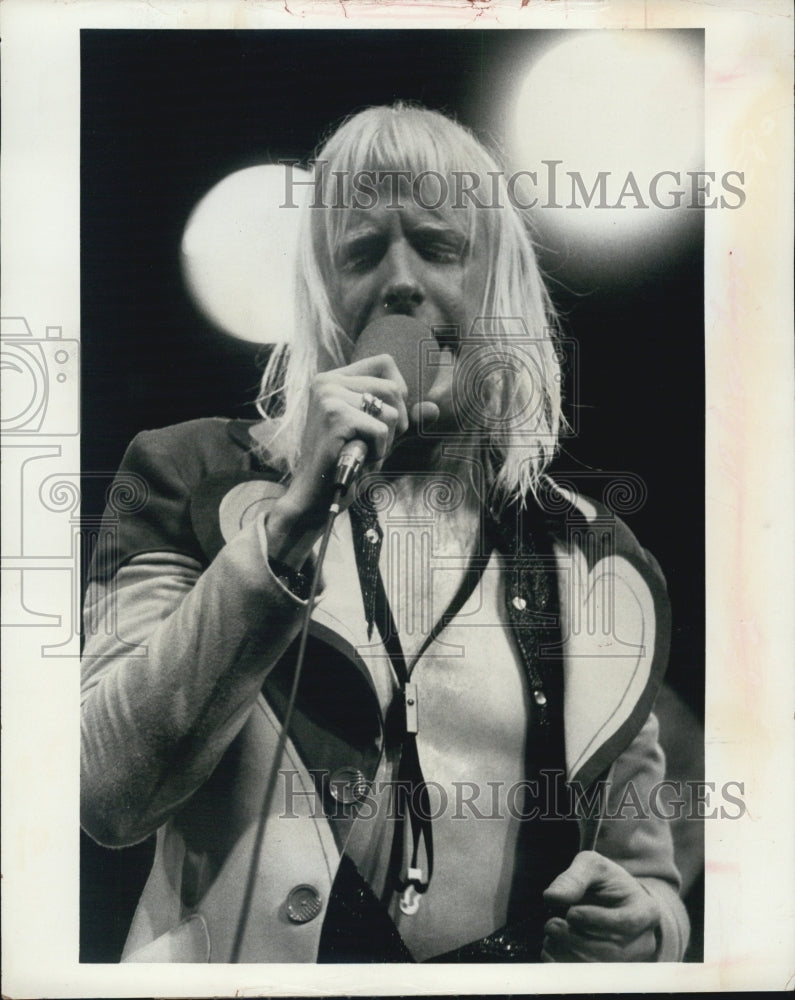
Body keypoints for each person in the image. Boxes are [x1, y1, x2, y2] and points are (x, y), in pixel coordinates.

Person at [80, 103, 690, 963]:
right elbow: (105, 790)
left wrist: (647, 923)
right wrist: (289, 524)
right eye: (363, 252)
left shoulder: (596, 558)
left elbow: (645, 872)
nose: (400, 281)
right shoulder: (186, 473)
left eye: (437, 246)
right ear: (323, 293)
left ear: (497, 283)